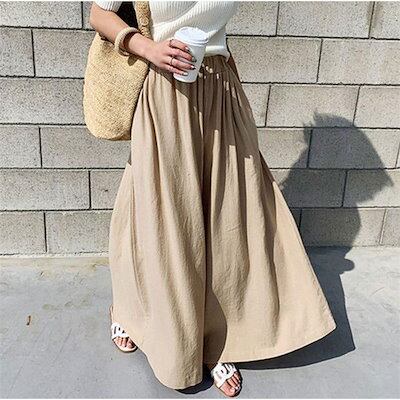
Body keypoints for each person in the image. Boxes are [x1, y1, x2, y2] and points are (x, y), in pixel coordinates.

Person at [89, 1, 337, 397]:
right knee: (162, 216)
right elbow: (99, 14)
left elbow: (213, 24)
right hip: (163, 88)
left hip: (219, 87)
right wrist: (148, 48)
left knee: (225, 217)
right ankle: (131, 312)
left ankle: (216, 339)